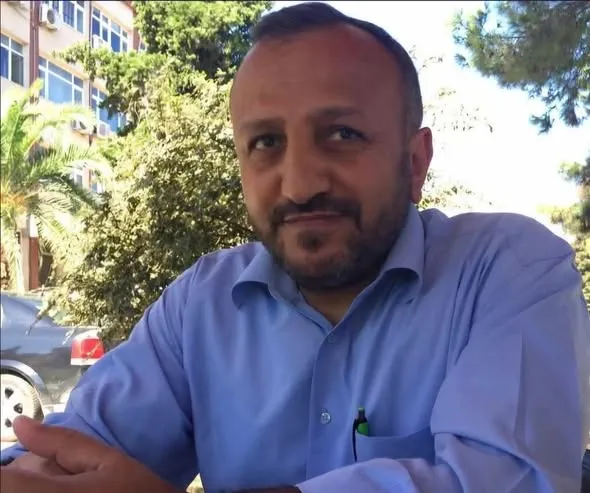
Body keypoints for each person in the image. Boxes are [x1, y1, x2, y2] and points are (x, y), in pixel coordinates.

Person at [2, 2, 589, 493]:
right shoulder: (200, 307)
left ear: (414, 163)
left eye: (342, 134)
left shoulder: (507, 272)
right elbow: (72, 453)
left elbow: (509, 480)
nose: (301, 184)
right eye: (266, 142)